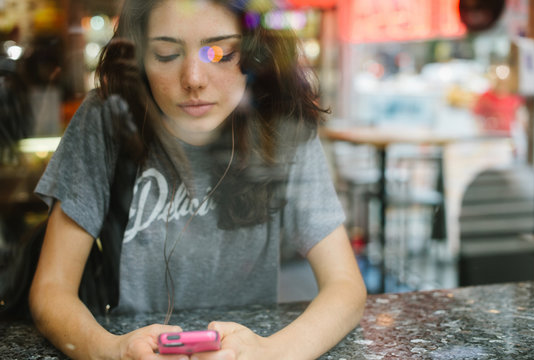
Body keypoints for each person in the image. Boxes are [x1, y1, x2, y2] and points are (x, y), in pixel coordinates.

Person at [29, 1, 367, 359]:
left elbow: (345, 286)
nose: (193, 79)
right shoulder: (106, 119)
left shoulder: (278, 126)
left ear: (254, 54)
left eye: (219, 52)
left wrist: (274, 353)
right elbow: (51, 288)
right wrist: (110, 350)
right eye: (165, 53)